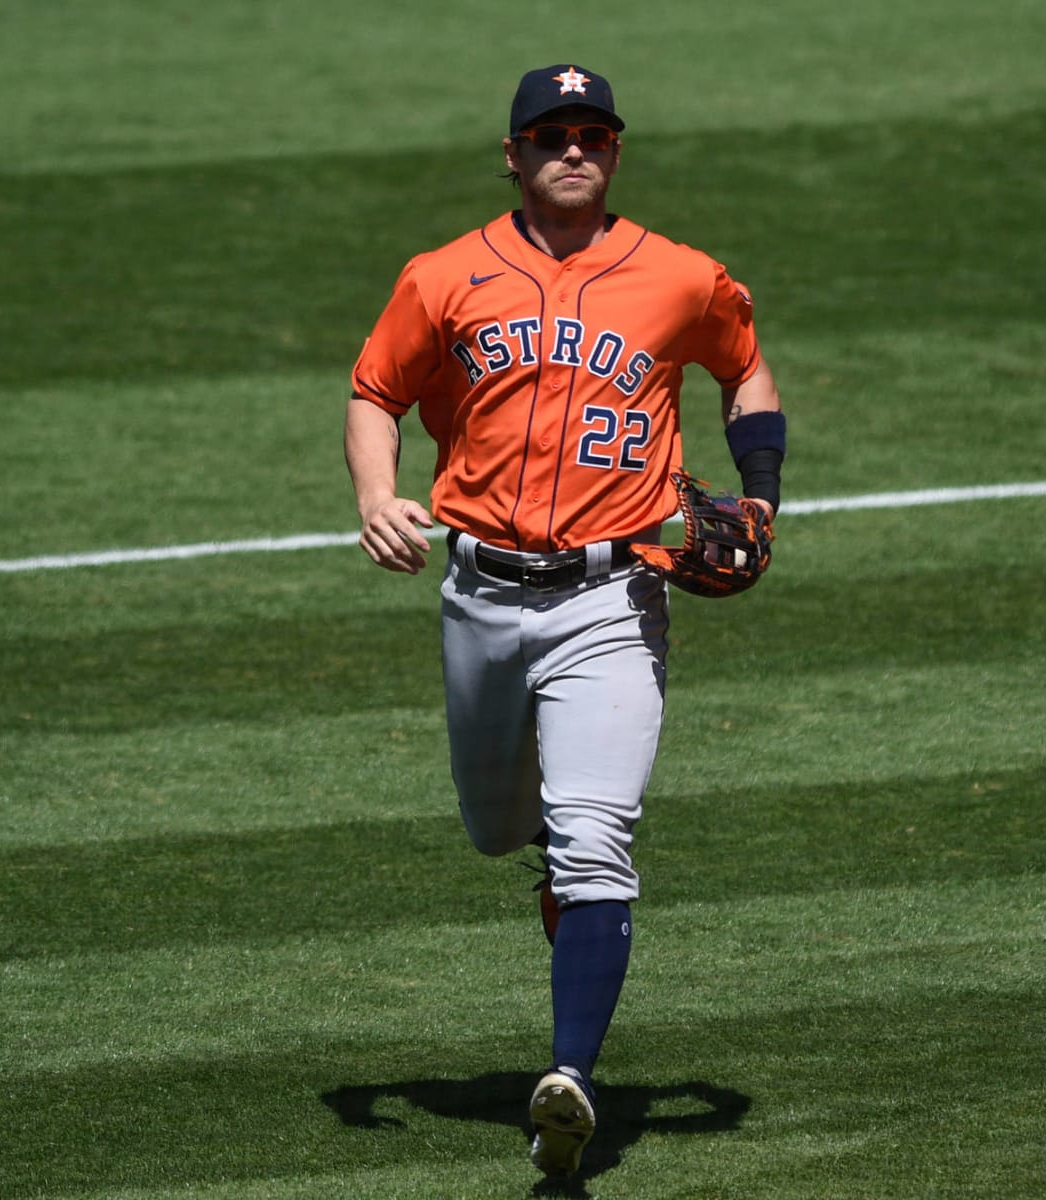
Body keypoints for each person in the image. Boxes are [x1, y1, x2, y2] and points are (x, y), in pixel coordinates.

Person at [344, 63, 786, 1178]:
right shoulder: (444, 276)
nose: (572, 149)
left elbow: (746, 373)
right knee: (501, 829)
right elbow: (374, 392)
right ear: (513, 154)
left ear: (616, 151)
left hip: (612, 596)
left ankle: (569, 1082)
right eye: (550, 134)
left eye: (592, 133)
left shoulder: (681, 277)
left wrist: (762, 492)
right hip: (482, 594)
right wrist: (374, 495)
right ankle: (554, 873)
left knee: (598, 840)